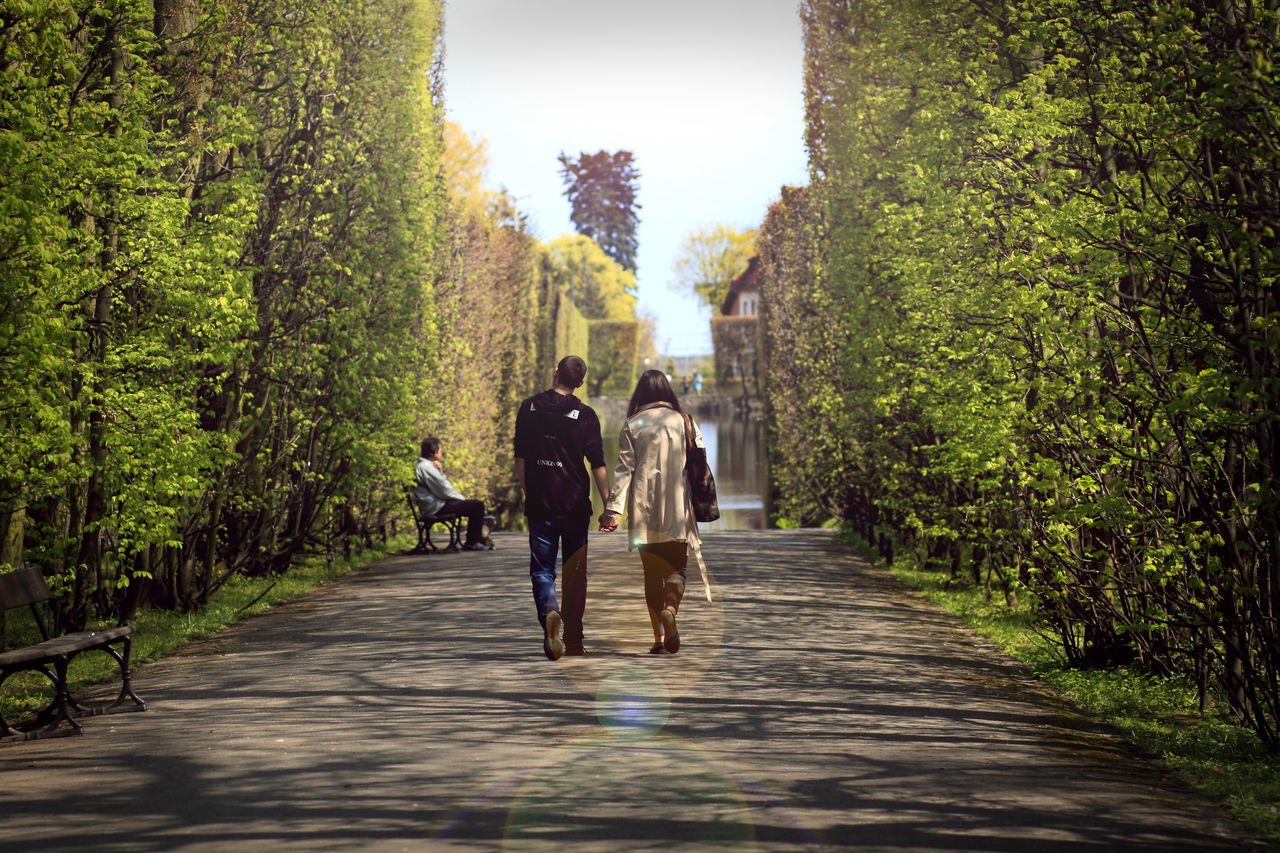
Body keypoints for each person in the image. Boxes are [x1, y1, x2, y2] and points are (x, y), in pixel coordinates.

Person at [598, 369, 708, 655]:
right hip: (677, 506)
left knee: (651, 574)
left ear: (641, 393)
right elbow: (700, 459)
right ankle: (670, 609)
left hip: (643, 508)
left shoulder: (634, 423)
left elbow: (624, 470)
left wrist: (613, 510)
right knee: (677, 569)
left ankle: (658, 639)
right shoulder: (684, 419)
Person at [514, 355, 610, 660]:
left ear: (554, 372)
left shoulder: (528, 407)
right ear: (580, 382)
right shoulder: (585, 415)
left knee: (542, 570)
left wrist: (528, 489)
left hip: (541, 501)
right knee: (575, 574)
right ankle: (575, 641)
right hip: (574, 504)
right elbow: (597, 464)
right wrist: (609, 506)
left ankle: (550, 612)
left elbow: (520, 457)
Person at [413, 437, 492, 551]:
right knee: (477, 505)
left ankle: (474, 541)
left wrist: (440, 472)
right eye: (440, 450)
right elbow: (443, 489)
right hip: (436, 508)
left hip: (435, 505)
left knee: (474, 505)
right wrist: (462, 499)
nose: (441, 452)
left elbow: (439, 487)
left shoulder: (425, 466)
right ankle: (472, 543)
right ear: (435, 452)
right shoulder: (426, 467)